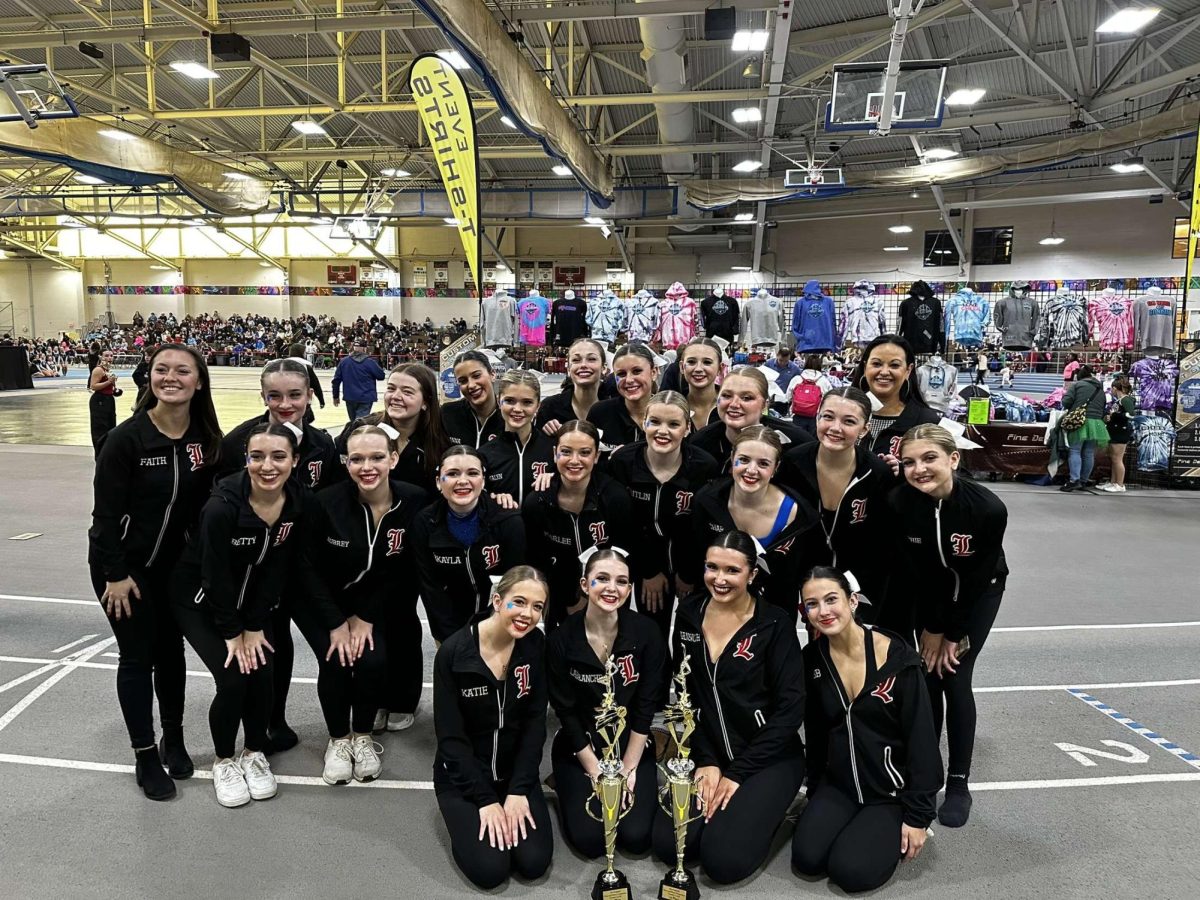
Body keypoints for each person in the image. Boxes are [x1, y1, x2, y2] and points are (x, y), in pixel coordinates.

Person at [171, 424, 335, 808]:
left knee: (264, 670)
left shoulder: (300, 502)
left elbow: (282, 567)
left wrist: (255, 624)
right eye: (256, 456)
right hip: (200, 600)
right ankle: (225, 760)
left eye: (279, 456)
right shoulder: (223, 506)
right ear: (246, 459)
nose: (267, 465)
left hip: (250, 605)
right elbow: (214, 575)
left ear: (295, 461)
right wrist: (233, 632)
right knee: (232, 677)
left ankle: (254, 752)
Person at [88, 345, 222, 800]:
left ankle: (175, 738)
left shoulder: (206, 439)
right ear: (150, 378)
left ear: (198, 381)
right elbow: (103, 518)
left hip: (174, 570)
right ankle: (146, 755)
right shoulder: (126, 441)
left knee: (171, 653)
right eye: (161, 370)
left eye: (182, 371)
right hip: (123, 570)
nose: (171, 377)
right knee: (137, 656)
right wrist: (115, 574)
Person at [653, 530, 806, 884]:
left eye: (732, 571)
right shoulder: (689, 614)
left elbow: (790, 710)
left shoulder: (774, 623)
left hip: (769, 756)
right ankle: (733, 809)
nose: (719, 580)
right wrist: (706, 760)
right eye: (712, 568)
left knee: (723, 862)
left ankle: (776, 806)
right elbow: (686, 694)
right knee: (671, 845)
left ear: (752, 574)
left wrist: (737, 773)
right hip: (709, 751)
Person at [792, 567, 942, 893]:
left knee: (851, 872)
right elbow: (816, 733)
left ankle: (886, 826)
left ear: (853, 600)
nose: (823, 611)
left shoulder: (898, 660)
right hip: (840, 786)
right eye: (812, 604)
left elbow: (922, 742)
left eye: (832, 599)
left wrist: (918, 816)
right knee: (807, 858)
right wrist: (816, 790)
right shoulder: (812, 660)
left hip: (889, 794)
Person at [890, 424, 1008, 827]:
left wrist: (949, 634)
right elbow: (916, 573)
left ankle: (958, 782)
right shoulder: (901, 502)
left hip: (978, 594)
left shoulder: (987, 508)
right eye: (909, 462)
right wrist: (928, 628)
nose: (919, 469)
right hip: (931, 597)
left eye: (929, 459)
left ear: (953, 459)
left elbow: (972, 580)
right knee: (926, 679)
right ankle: (926, 775)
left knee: (954, 676)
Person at [314, 425, 428, 769]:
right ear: (346, 463)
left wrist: (364, 615)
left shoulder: (415, 501)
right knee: (336, 659)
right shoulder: (326, 503)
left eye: (377, 457)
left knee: (372, 660)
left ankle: (362, 736)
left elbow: (404, 571)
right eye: (357, 459)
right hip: (326, 603)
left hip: (373, 603)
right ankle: (338, 740)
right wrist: (336, 621)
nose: (368, 467)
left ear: (393, 458)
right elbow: (309, 571)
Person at [432, 566, 554, 890]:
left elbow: (534, 725)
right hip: (464, 779)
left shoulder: (535, 645)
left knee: (533, 862)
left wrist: (518, 790)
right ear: (497, 601)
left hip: (515, 776)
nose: (528, 614)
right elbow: (451, 740)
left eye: (537, 606)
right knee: (491, 870)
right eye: (519, 601)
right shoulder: (453, 654)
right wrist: (485, 800)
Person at [546, 549, 668, 859]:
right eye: (602, 579)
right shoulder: (561, 640)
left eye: (621, 581)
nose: (612, 588)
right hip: (580, 744)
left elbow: (645, 706)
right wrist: (595, 772)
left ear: (629, 589)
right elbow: (566, 712)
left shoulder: (647, 633)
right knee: (590, 842)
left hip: (631, 744)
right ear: (585, 585)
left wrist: (629, 769)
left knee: (636, 837)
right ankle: (565, 781)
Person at [777, 388, 899, 622]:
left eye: (849, 421)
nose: (835, 428)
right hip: (803, 578)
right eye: (828, 417)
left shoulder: (877, 473)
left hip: (858, 583)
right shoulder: (792, 463)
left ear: (864, 429)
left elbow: (883, 546)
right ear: (817, 417)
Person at [608, 390, 719, 641]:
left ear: (687, 429)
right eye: (655, 422)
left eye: (673, 424)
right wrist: (648, 571)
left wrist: (689, 574)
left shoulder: (704, 467)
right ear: (643, 422)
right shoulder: (623, 463)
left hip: (690, 565)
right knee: (652, 635)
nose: (663, 431)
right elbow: (623, 526)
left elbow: (702, 528)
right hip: (644, 563)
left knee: (692, 635)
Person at [686, 425, 818, 622]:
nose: (751, 470)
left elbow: (803, 572)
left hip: (775, 614)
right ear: (732, 459)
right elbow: (696, 555)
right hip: (718, 606)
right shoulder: (706, 502)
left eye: (763, 464)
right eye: (744, 460)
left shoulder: (799, 516)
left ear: (776, 468)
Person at [521, 420, 636, 629]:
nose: (575, 461)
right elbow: (536, 561)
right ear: (555, 453)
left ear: (596, 456)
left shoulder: (615, 498)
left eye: (584, 452)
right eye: (566, 452)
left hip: (607, 593)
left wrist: (588, 598)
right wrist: (562, 601)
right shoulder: (537, 502)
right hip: (558, 596)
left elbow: (624, 554)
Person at [413, 445, 527, 646]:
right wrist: (449, 639)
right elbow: (430, 588)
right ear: (439, 482)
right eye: (452, 474)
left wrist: (496, 626)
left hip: (498, 623)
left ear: (483, 480)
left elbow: (514, 583)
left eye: (472, 473)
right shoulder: (424, 523)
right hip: (449, 629)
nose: (463, 481)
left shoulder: (508, 520)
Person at [217, 358, 338, 491]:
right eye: (275, 396)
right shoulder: (235, 443)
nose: (285, 404)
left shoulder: (323, 445)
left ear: (309, 396)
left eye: (295, 395)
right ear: (264, 397)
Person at [335, 363, 450, 491]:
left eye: (407, 392)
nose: (395, 397)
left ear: (425, 402)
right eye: (391, 389)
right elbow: (338, 479)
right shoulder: (360, 429)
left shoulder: (440, 439)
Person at [690, 366, 813, 474]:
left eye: (746, 398)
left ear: (764, 405)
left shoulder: (795, 444)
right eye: (727, 396)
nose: (734, 404)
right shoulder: (700, 443)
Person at [848, 334, 940, 458]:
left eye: (894, 365)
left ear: (908, 370)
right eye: (876, 364)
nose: (884, 372)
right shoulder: (842, 413)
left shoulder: (926, 422)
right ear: (865, 367)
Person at [479, 369, 555, 505]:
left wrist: (558, 480)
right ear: (499, 401)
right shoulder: (485, 454)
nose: (518, 409)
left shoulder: (553, 449)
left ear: (538, 405)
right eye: (509, 401)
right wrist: (492, 500)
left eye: (527, 402)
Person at [586, 342, 658, 452]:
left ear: (653, 373)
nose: (629, 380)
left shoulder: (670, 413)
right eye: (621, 374)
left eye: (637, 371)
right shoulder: (600, 413)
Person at [536, 337, 612, 435]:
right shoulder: (550, 408)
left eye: (591, 359)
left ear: (604, 368)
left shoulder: (615, 411)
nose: (583, 365)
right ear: (568, 368)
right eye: (576, 360)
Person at [1059, 365, 1108, 493]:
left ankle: (1074, 480)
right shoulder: (1100, 388)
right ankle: (1083, 480)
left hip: (1080, 421)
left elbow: (1066, 402)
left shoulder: (1077, 385)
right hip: (1097, 424)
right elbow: (1104, 405)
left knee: (1075, 450)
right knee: (1089, 452)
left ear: (1079, 376)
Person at [442, 350, 504, 447]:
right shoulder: (448, 414)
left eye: (476, 376)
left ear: (492, 374)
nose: (471, 385)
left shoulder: (509, 416)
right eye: (463, 381)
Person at [332, 338, 386, 420]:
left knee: (354, 421)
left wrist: (335, 396)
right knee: (360, 423)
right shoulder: (370, 362)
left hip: (350, 397)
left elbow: (336, 381)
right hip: (366, 397)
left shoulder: (344, 362)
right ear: (365, 348)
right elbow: (381, 376)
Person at [676, 336, 723, 429]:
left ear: (720, 369)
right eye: (691, 362)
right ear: (682, 367)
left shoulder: (730, 406)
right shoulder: (673, 406)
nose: (698, 369)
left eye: (707, 362)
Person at [1101, 376, 1136, 493]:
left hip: (1121, 431)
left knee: (1117, 458)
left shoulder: (1126, 399)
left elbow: (1131, 415)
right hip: (1115, 430)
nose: (1111, 391)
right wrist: (1108, 418)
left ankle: (1120, 484)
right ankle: (1113, 482)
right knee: (1113, 458)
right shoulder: (1119, 400)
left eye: (1111, 388)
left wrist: (1115, 416)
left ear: (1115, 388)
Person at [785, 354, 834, 435]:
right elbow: (830, 400)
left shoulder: (797, 379)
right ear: (819, 365)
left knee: (798, 440)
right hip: (815, 417)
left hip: (797, 415)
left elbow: (787, 397)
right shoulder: (824, 381)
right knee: (812, 442)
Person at [88, 348, 120, 456]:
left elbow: (108, 386)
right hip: (99, 400)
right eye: (106, 355)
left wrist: (114, 387)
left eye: (111, 355)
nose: (109, 358)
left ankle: (108, 452)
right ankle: (100, 454)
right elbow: (93, 386)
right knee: (100, 428)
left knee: (111, 426)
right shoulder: (99, 370)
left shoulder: (108, 370)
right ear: (100, 357)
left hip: (108, 399)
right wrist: (108, 382)